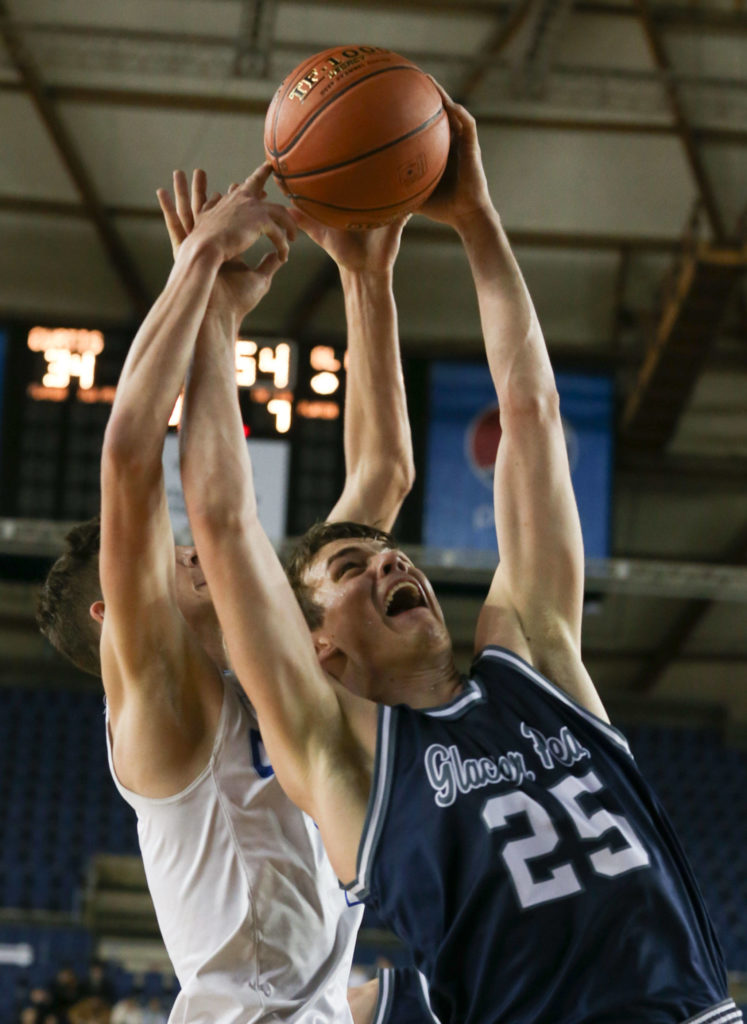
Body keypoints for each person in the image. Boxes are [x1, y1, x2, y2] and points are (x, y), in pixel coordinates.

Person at [179, 85, 743, 1024]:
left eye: (388, 555)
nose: (391, 567)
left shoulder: (537, 658)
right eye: (349, 573)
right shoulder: (342, 754)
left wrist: (477, 220)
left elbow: (531, 415)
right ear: (321, 650)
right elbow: (225, 520)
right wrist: (205, 303)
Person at [37, 165, 432, 1024]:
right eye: (159, 560)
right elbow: (131, 459)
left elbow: (383, 474)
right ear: (114, 616)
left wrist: (368, 279)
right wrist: (199, 268)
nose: (184, 551)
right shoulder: (164, 718)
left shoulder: (281, 655)